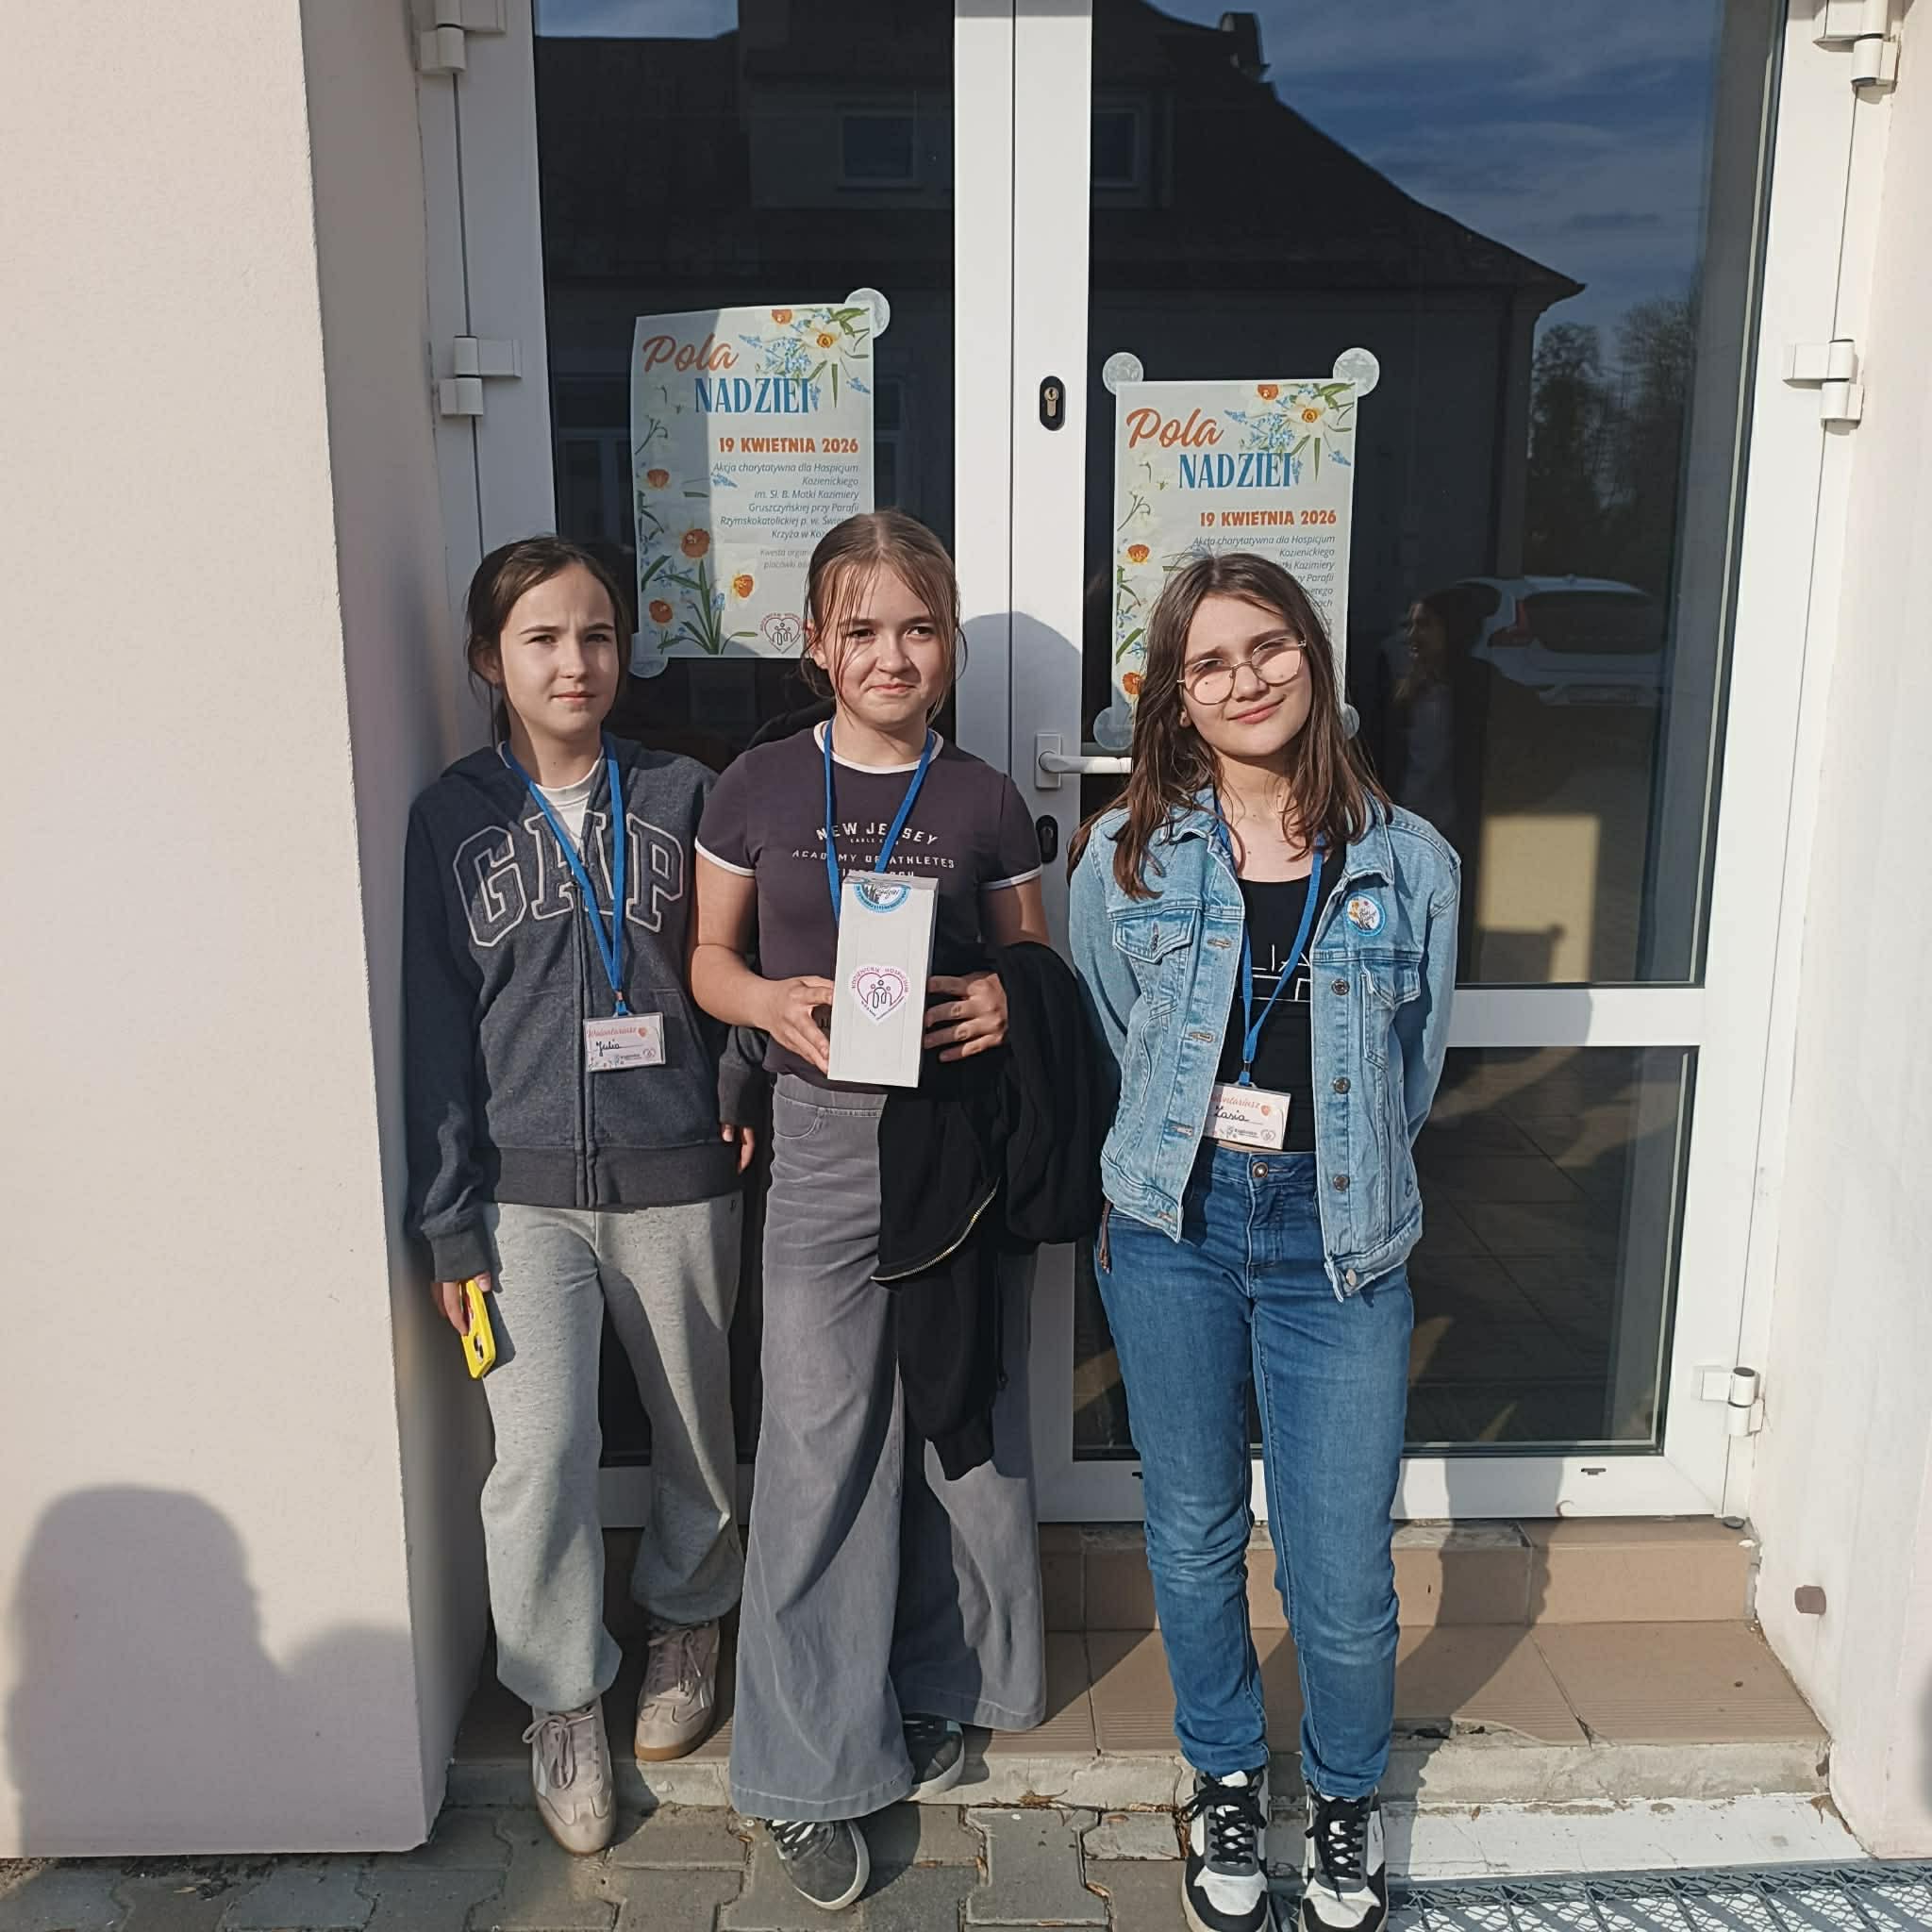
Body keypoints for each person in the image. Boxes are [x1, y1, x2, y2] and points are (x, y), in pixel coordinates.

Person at [1069, 553, 1458, 1932]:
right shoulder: (1128, 854)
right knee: (1192, 1531)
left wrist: (1337, 1171)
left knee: (1339, 1564)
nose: (1247, 681)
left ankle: (1345, 1797)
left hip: (1337, 1240)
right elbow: (1116, 1029)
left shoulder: (1409, 862)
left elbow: (1416, 1067)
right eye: (1211, 662)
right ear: (1177, 696)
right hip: (1172, 1226)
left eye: (1270, 646)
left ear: (1314, 654)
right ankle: (1226, 1772)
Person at [691, 509, 1051, 1912]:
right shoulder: (758, 785)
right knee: (816, 1442)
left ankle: (952, 1681)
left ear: (948, 643)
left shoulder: (983, 802)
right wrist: (767, 1002)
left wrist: (1004, 1000)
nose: (893, 655)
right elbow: (709, 957)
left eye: (920, 628)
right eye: (863, 629)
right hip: (825, 1145)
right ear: (815, 642)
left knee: (959, 1414)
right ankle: (804, 1770)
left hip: (951, 1142)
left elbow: (1034, 970)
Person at [404, 536, 758, 1855]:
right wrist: (449, 1218)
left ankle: (688, 1620)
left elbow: (735, 953)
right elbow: (437, 1032)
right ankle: (560, 1697)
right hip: (520, 1199)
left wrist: (741, 1081)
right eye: (543, 638)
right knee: (540, 1452)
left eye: (597, 635)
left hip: (678, 1175)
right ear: (487, 659)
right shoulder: (452, 818)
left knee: (693, 1427)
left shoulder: (682, 793)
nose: (575, 662)